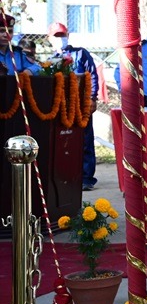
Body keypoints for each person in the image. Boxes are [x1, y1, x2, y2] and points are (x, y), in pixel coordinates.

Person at [49, 22, 101, 190]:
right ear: (49, 39)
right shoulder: (50, 60)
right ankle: (67, 176)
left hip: (82, 104)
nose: (60, 39)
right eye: (56, 36)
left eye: (62, 35)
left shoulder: (81, 53)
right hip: (62, 106)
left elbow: (92, 74)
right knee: (65, 141)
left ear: (68, 35)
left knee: (85, 140)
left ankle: (86, 178)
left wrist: (92, 98)